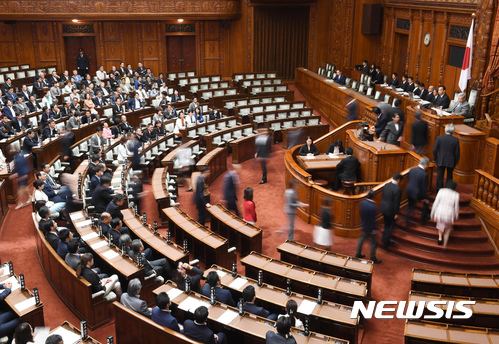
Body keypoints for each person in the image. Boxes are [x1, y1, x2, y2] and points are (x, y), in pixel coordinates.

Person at [355, 190, 382, 263]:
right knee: (374, 243)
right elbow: (373, 219)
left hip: (363, 225)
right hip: (370, 228)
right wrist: (375, 229)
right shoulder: (373, 206)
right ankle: (373, 258)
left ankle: (357, 254)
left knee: (361, 240)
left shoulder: (362, 202)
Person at [431, 181, 460, 247]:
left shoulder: (441, 191)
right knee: (448, 228)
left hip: (440, 213)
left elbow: (436, 203)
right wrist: (456, 216)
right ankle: (445, 243)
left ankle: (440, 238)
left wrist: (432, 212)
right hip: (449, 214)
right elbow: (456, 207)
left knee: (440, 226)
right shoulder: (456, 195)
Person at [433, 123, 460, 192]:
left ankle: (439, 190)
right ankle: (448, 190)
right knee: (449, 176)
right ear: (453, 131)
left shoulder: (439, 138)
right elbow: (457, 153)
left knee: (440, 176)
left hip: (441, 159)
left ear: (445, 130)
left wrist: (435, 159)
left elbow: (435, 149)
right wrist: (455, 162)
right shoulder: (455, 140)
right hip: (451, 160)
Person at [406, 157, 431, 226]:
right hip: (417, 193)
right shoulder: (424, 174)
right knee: (427, 203)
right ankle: (422, 219)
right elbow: (423, 188)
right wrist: (424, 198)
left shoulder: (412, 170)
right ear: (426, 165)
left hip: (409, 191)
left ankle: (407, 221)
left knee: (410, 206)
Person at [379, 173, 402, 248]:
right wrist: (396, 213)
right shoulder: (397, 189)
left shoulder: (386, 185)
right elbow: (396, 203)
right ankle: (386, 242)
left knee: (386, 225)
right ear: (398, 180)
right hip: (390, 210)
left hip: (383, 207)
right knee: (389, 226)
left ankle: (384, 239)